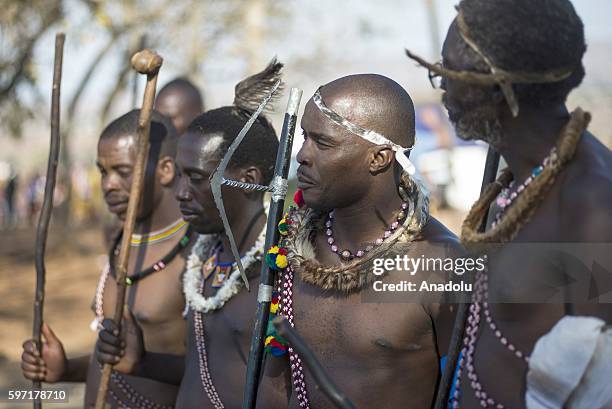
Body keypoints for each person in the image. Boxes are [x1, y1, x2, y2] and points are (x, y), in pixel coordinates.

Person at [405, 0, 612, 407]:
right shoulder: (512, 177)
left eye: (447, 71)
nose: (441, 86)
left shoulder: (591, 206)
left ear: (497, 86)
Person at [259, 74, 463, 409]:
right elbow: (274, 384)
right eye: (304, 138)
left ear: (379, 158)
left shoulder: (441, 264)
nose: (302, 156)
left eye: (322, 143)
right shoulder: (288, 248)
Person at [96, 60, 289, 409]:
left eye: (196, 178)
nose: (181, 192)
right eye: (181, 176)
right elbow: (205, 370)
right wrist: (143, 363)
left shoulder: (281, 268)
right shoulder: (205, 259)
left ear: (246, 179)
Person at [21, 110, 195, 409]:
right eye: (102, 171)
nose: (108, 184)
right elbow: (116, 360)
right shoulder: (118, 241)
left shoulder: (196, 253)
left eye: (123, 171)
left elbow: (218, 372)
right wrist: (66, 370)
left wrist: (145, 364)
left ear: (165, 169)